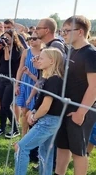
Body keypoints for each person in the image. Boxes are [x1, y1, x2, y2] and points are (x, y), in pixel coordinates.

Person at [55, 15, 96, 175]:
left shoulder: (90, 54)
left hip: (81, 111)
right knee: (62, 146)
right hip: (65, 108)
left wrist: (81, 112)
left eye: (66, 30)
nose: (63, 33)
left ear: (80, 32)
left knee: (79, 151)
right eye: (62, 30)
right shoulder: (71, 51)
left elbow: (94, 86)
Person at [14, 47, 64, 175]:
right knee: (45, 153)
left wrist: (34, 116)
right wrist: (34, 110)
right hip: (52, 120)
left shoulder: (53, 80)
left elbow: (46, 106)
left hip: (47, 121)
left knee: (21, 147)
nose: (38, 60)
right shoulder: (51, 78)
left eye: (41, 58)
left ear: (52, 61)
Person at [0, 29, 25, 138]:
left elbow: (8, 59)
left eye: (7, 37)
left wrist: (5, 47)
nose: (5, 39)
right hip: (1, 78)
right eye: (4, 37)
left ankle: (15, 129)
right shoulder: (3, 48)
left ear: (13, 38)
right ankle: (2, 128)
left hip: (11, 80)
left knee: (6, 105)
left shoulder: (18, 49)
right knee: (2, 104)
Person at [15, 33, 42, 137]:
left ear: (41, 40)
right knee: (24, 111)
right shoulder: (26, 52)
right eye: (30, 38)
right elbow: (20, 68)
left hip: (38, 84)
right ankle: (23, 136)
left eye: (34, 38)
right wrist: (17, 84)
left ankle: (33, 137)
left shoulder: (44, 52)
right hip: (26, 84)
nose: (31, 40)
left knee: (35, 112)